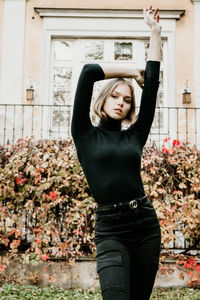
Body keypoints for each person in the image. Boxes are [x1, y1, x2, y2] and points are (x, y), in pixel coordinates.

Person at [71, 5, 162, 300]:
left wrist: (155, 32)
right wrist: (129, 73)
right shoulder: (84, 133)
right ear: (103, 98)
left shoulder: (135, 135)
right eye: (115, 95)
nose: (121, 102)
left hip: (145, 225)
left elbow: (153, 78)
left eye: (126, 99)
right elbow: (88, 73)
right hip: (110, 229)